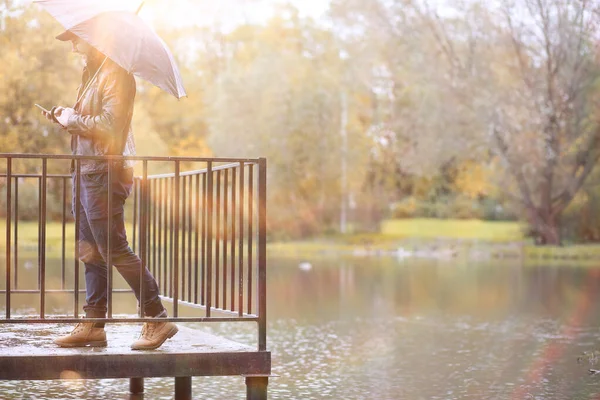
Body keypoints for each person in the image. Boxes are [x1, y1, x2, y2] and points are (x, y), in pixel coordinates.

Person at [42, 30, 177, 350]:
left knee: (115, 247)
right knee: (89, 249)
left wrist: (73, 119)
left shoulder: (116, 74)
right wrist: (66, 116)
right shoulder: (93, 73)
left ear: (96, 37)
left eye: (76, 39)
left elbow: (110, 127)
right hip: (86, 171)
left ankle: (157, 318)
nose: (73, 46)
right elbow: (89, 121)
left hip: (105, 172)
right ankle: (93, 323)